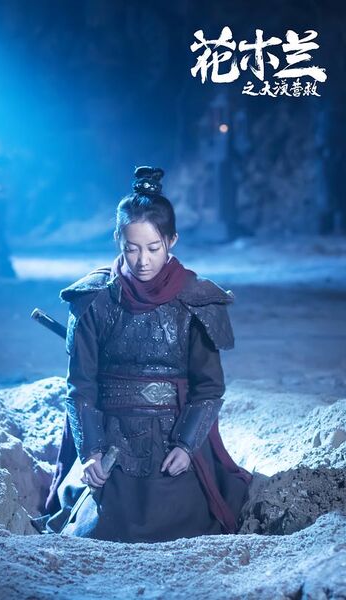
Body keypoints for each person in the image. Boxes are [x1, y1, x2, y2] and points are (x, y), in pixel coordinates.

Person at [44, 165, 252, 543]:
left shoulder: (195, 301)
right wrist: (91, 452)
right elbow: (81, 387)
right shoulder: (93, 300)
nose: (142, 260)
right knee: (97, 525)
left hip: (174, 433)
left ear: (171, 240)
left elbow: (208, 388)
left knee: (185, 518)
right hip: (109, 435)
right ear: (118, 241)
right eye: (132, 248)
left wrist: (187, 446)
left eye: (154, 248)